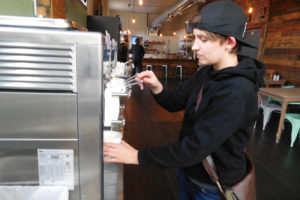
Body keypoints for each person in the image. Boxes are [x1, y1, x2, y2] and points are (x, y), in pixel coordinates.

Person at [104, 1, 265, 200]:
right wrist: (157, 86)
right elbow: (174, 101)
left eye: (203, 39)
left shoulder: (237, 90)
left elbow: (193, 148)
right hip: (189, 174)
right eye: (194, 38)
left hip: (214, 187)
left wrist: (137, 156)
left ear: (229, 43)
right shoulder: (207, 72)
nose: (194, 46)